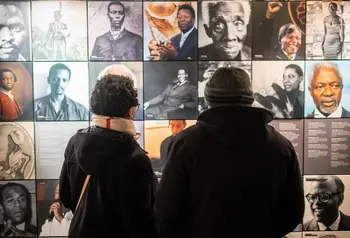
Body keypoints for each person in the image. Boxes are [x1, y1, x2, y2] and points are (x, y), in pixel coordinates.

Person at [155, 67, 304, 238]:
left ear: (208, 99)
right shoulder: (281, 146)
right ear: (250, 99)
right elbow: (293, 212)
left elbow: (166, 212)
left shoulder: (184, 144)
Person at [59, 74, 159, 238]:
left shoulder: (75, 142)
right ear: (131, 111)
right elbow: (143, 220)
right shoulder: (135, 157)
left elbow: (66, 197)